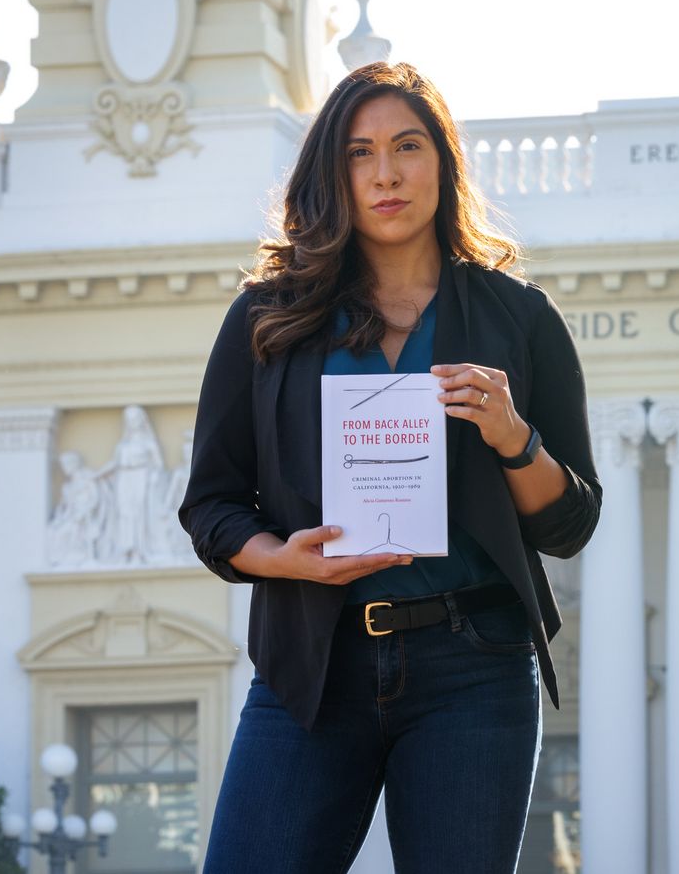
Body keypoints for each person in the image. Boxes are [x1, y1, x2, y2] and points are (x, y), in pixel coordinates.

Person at [179, 61, 602, 873]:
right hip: (312, 662)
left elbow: (570, 522)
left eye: (407, 146)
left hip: (474, 667)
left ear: (442, 162)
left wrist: (514, 436)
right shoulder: (268, 319)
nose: (385, 173)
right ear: (333, 174)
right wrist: (282, 557)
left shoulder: (519, 318)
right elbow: (212, 505)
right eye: (359, 153)